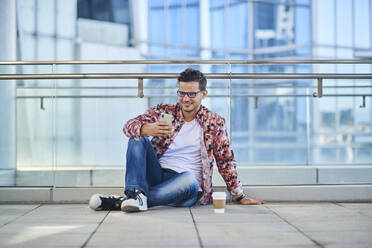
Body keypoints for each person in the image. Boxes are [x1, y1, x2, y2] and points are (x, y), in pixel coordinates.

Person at [89, 68, 263, 212]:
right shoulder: (164, 111)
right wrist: (145, 129)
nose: (186, 99)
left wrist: (239, 195)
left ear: (204, 94)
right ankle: (136, 196)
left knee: (189, 180)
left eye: (192, 94)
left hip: (187, 185)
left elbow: (225, 161)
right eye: (182, 93)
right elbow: (128, 126)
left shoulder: (214, 122)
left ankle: (129, 199)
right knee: (137, 139)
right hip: (158, 174)